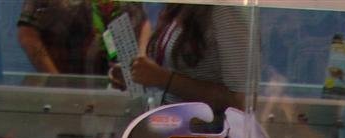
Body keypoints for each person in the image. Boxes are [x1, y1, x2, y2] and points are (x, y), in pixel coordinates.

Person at [110, 3, 254, 111]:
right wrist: (138, 74)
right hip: (170, 128)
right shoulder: (180, 7)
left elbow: (241, 101)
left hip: (204, 135)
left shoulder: (225, 10)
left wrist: (163, 78)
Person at [17, 0, 150, 75]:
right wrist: (55, 80)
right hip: (70, 87)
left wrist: (141, 60)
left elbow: (142, 20)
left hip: (122, 88)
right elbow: (27, 34)